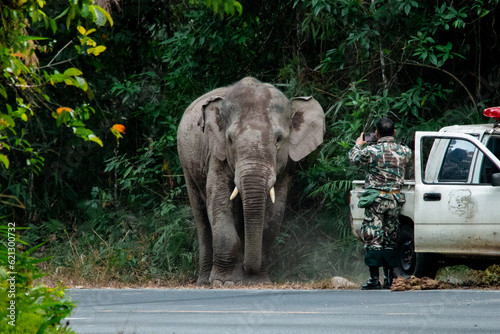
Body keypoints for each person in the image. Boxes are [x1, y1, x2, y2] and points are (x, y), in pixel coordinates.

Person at [349, 117, 412, 290]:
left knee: (373, 237)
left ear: (376, 134)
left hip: (376, 199)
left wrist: (358, 143)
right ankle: (390, 278)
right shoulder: (405, 151)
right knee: (390, 238)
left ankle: (374, 279)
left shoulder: (371, 151)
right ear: (394, 131)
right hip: (394, 199)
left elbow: (354, 158)